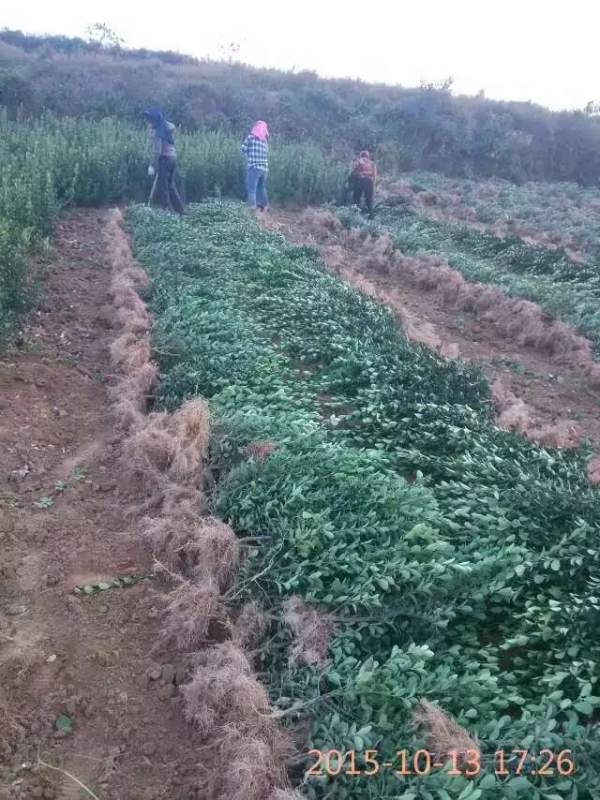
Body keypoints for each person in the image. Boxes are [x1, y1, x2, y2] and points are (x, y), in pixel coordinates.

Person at [143, 107, 185, 215]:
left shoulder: (159, 132)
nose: (148, 122)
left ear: (155, 120)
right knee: (171, 186)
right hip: (173, 158)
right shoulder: (166, 127)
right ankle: (181, 211)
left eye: (150, 119)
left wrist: (152, 165)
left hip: (165, 160)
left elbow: (158, 151)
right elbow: (172, 127)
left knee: (163, 188)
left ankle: (168, 213)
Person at [241, 120, 269, 212]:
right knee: (261, 188)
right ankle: (264, 207)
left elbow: (243, 149)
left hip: (254, 167)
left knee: (251, 189)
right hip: (264, 169)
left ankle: (251, 209)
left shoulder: (251, 138)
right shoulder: (265, 142)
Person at [350, 150, 377, 214]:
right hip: (369, 181)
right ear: (368, 156)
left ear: (361, 156)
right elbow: (374, 175)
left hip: (359, 181)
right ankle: (370, 214)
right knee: (369, 201)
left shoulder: (359, 161)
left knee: (356, 199)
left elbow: (354, 172)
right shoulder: (372, 163)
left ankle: (356, 213)